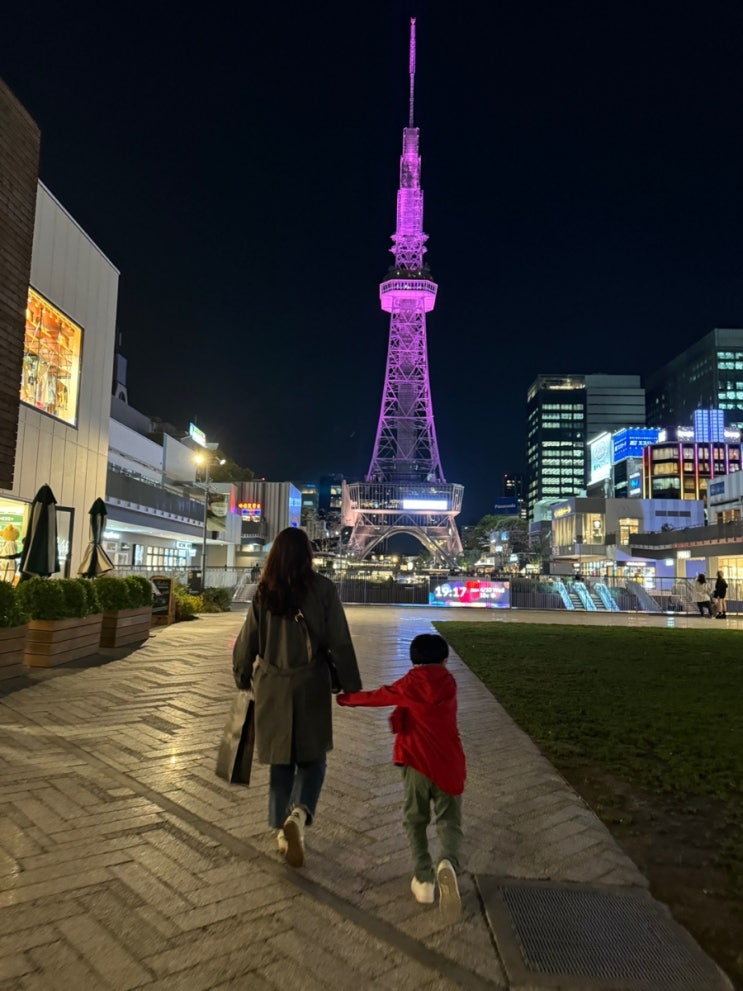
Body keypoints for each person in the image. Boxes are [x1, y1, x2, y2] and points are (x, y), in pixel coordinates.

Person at [232, 527, 361, 869]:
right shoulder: (323, 589)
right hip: (310, 683)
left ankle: (281, 829)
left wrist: (242, 675)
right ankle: (300, 813)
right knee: (313, 758)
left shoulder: (264, 592)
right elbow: (340, 640)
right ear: (308, 555)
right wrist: (350, 683)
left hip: (272, 685)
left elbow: (247, 641)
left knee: (281, 760)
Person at [336, 633, 466, 922]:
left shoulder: (409, 684)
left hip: (417, 763)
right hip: (450, 765)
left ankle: (424, 879)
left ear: (413, 660)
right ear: (445, 660)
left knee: (415, 819)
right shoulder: (450, 683)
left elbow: (378, 697)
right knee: (449, 821)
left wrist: (346, 699)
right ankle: (448, 863)